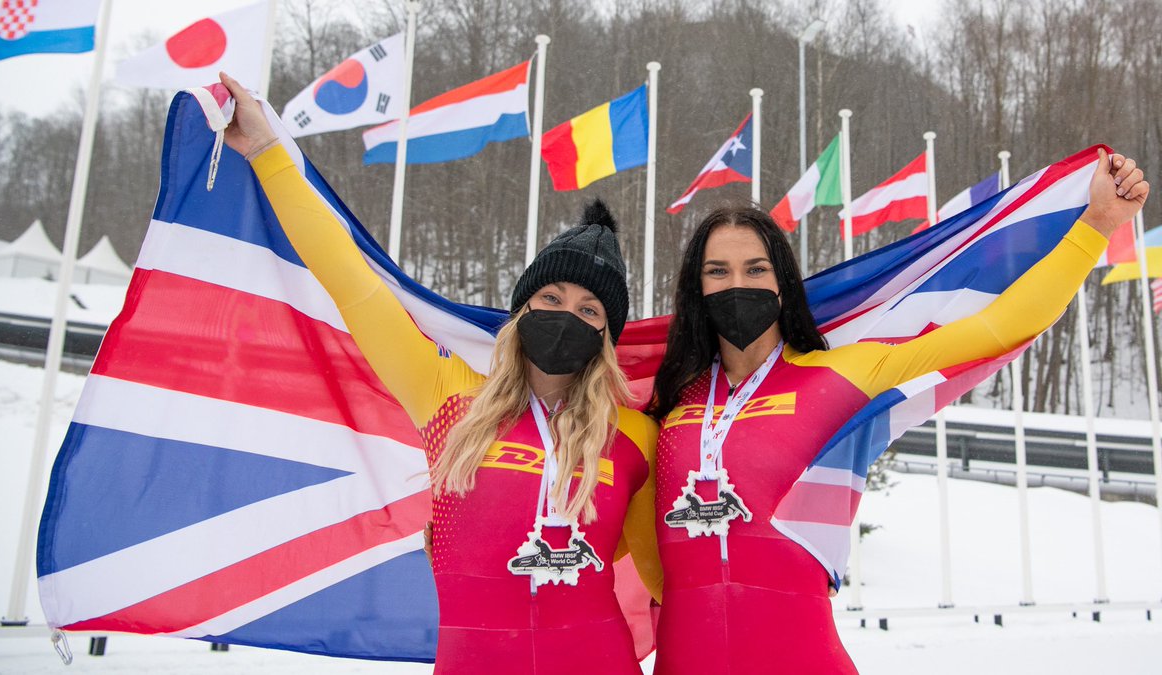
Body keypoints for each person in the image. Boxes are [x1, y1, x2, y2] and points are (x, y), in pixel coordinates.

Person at [217, 73, 661, 675]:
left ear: (606, 338)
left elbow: (670, 578)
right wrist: (269, 153)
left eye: (589, 311)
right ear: (521, 311)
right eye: (551, 298)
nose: (566, 317)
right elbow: (350, 280)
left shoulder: (635, 436)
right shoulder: (447, 397)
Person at [645, 150, 1147, 674]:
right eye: (718, 271)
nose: (737, 284)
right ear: (697, 288)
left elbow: (1001, 327)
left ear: (782, 283)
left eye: (756, 269)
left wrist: (1096, 225)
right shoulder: (669, 400)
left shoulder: (843, 375)